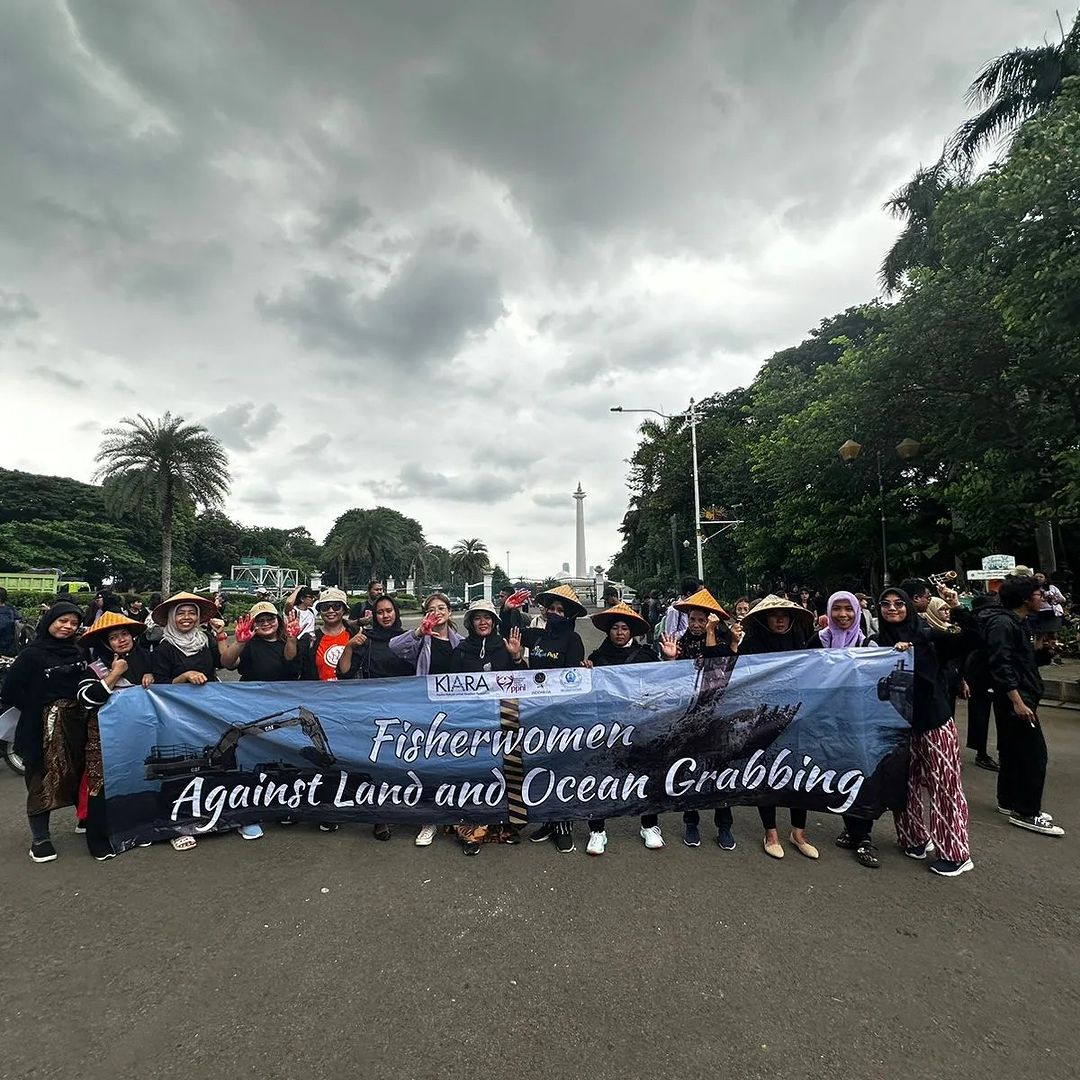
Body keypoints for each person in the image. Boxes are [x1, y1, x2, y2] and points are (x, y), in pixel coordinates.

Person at [873, 586, 974, 876]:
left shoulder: (929, 638)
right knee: (904, 785)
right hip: (900, 727)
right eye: (886, 604)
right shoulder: (877, 643)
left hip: (934, 722)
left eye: (898, 603)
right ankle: (914, 839)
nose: (892, 609)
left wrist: (957, 606)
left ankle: (955, 852)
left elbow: (972, 639)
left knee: (944, 787)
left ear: (908, 606)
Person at [584, 602, 673, 855]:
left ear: (631, 632)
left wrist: (669, 660)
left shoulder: (646, 655)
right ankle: (597, 830)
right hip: (607, 726)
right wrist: (586, 672)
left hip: (641, 724)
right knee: (600, 775)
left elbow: (665, 685)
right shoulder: (597, 658)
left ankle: (649, 825)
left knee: (645, 773)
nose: (620, 632)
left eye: (624, 628)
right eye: (615, 628)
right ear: (608, 632)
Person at [0, 601, 86, 863]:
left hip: (75, 723)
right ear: (49, 621)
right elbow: (9, 690)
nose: (68, 627)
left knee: (80, 771)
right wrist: (38, 706)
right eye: (62, 621)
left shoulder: (78, 651)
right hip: (40, 727)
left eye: (73, 623)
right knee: (41, 777)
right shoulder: (32, 654)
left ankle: (84, 819)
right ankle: (41, 838)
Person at [739, 594, 821, 860]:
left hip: (799, 715)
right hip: (764, 717)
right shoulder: (751, 645)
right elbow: (742, 679)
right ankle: (770, 832)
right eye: (774, 615)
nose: (779, 620)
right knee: (768, 771)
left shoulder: (802, 641)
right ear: (764, 619)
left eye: (784, 615)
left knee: (799, 771)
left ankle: (798, 832)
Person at [981, 576, 1064, 837]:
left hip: (1021, 695)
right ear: (1025, 598)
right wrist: (1017, 701)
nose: (1042, 598)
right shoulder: (1003, 624)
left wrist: (1044, 653)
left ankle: (1008, 801)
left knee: (1012, 751)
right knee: (1034, 756)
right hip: (1017, 700)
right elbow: (1000, 665)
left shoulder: (1019, 622)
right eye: (1039, 594)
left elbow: (1020, 661)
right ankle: (1027, 812)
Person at [445, 600, 524, 855]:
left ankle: (504, 825)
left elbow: (523, 682)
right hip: (470, 723)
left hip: (503, 720)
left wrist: (516, 657)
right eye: (477, 618)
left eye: (487, 617)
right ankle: (472, 830)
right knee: (474, 774)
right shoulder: (461, 650)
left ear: (494, 622)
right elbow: (451, 689)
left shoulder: (504, 647)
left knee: (502, 772)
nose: (483, 622)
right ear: (470, 623)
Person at [74, 610, 155, 859]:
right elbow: (86, 699)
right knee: (101, 785)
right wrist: (115, 673)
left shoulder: (145, 659)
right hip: (103, 737)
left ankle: (136, 829)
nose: (121, 640)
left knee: (136, 777)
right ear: (104, 644)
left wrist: (152, 677)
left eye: (124, 635)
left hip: (137, 732)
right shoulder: (95, 667)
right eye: (113, 638)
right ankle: (98, 840)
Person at [337, 593, 415, 842]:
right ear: (374, 615)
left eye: (389, 611)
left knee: (406, 759)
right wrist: (350, 645)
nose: (385, 615)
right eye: (380, 612)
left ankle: (412, 808)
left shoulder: (410, 638)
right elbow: (344, 674)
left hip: (407, 706)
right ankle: (381, 815)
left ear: (396, 612)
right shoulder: (366, 639)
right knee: (379, 762)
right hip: (376, 708)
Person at [519, 585, 588, 853]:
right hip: (535, 712)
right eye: (552, 608)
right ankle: (547, 820)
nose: (556, 613)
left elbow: (571, 680)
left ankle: (563, 824)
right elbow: (507, 633)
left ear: (569, 616)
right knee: (539, 766)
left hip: (562, 714)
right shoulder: (535, 635)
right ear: (545, 610)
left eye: (561, 610)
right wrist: (509, 609)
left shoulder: (573, 641)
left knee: (562, 768)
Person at [390, 592, 462, 847]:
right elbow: (395, 647)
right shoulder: (422, 641)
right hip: (427, 712)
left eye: (442, 608)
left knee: (455, 765)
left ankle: (455, 817)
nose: (438, 612)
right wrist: (420, 632)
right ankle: (428, 820)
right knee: (428, 766)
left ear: (450, 612)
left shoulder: (461, 642)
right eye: (432, 609)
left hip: (456, 714)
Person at [818, 592, 880, 869]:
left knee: (862, 773)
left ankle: (864, 836)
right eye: (837, 610)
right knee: (840, 773)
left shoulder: (868, 644)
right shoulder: (818, 641)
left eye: (848, 610)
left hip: (861, 720)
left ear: (857, 612)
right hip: (829, 719)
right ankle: (850, 827)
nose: (843, 615)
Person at [150, 592, 226, 688]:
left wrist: (221, 635)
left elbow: (223, 663)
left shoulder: (205, 639)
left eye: (192, 613)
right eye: (180, 614)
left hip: (209, 699)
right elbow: (160, 685)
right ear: (172, 617)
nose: (186, 617)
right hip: (178, 701)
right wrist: (185, 676)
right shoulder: (164, 648)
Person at [219, 602, 302, 683]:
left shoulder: (288, 639)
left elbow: (290, 659)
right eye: (260, 621)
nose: (266, 623)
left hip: (285, 691)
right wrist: (239, 643)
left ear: (278, 620)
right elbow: (227, 663)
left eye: (270, 619)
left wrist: (291, 639)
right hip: (253, 692)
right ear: (252, 624)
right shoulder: (248, 643)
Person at [963, 593, 1000, 770]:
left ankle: (983, 752)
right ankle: (982, 753)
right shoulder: (984, 623)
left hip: (979, 671)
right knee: (981, 714)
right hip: (983, 672)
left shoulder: (978, 621)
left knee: (980, 714)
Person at [0, 586, 23, 655]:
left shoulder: (3, 615)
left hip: (3, 649)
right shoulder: (10, 608)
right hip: (13, 647)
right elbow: (20, 619)